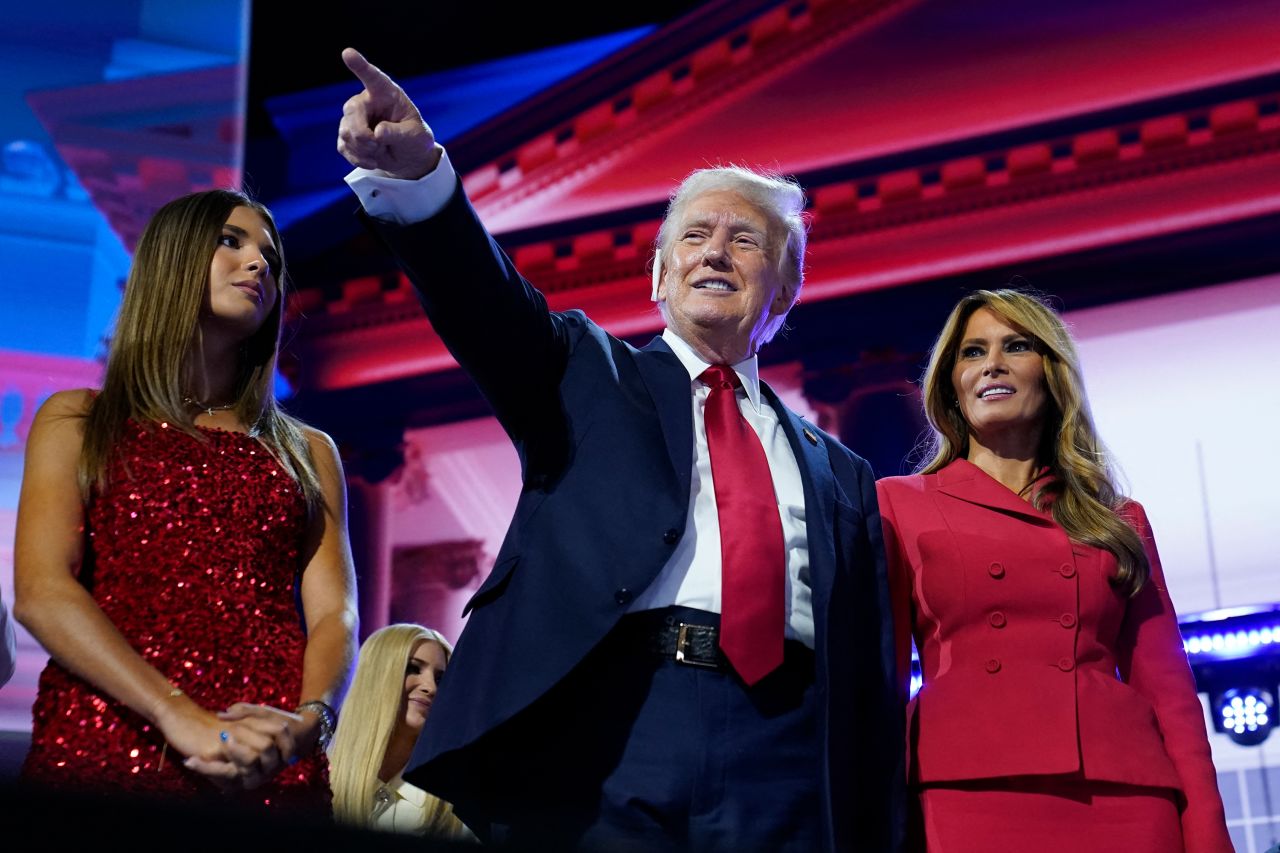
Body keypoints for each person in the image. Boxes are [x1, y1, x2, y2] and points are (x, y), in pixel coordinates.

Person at [335, 48, 901, 853]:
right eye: (695, 235)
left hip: (787, 742)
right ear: (658, 278)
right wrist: (422, 177)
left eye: (745, 240)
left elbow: (872, 660)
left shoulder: (843, 474)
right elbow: (483, 300)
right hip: (613, 724)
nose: (714, 252)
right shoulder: (584, 374)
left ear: (784, 288)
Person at [14, 189, 359, 812]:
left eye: (271, 258)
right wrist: (178, 714)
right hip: (109, 740)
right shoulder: (78, 420)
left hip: (268, 760)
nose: (259, 264)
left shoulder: (309, 450)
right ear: (170, 259)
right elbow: (42, 591)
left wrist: (311, 724)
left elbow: (335, 614)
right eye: (231, 241)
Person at [876, 289, 1232, 852]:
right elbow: (878, 683)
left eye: (1015, 346)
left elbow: (1171, 694)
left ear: (1051, 372)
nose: (991, 363)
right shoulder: (897, 503)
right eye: (972, 352)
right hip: (964, 792)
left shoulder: (1117, 519)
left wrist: (1209, 835)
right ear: (951, 384)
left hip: (1124, 795)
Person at [329, 623, 475, 839]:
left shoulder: (456, 805)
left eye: (440, 679)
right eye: (413, 668)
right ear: (375, 677)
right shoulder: (317, 778)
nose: (431, 688)